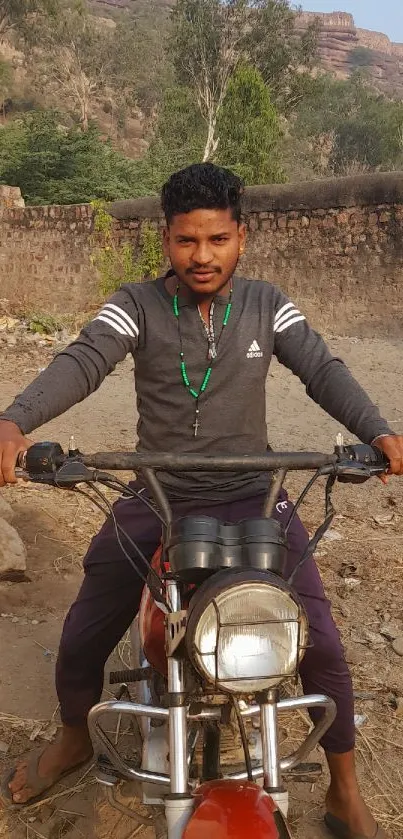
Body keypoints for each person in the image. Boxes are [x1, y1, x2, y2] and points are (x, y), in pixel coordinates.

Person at [0, 164, 401, 839]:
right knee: (84, 633)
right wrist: (14, 422)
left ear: (241, 236)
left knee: (321, 643)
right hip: (156, 492)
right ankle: (74, 737)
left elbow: (321, 367)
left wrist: (378, 432)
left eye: (217, 238)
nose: (203, 255)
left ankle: (343, 790)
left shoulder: (268, 304)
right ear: (166, 239)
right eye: (187, 240)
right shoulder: (134, 304)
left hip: (251, 494)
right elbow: (83, 358)